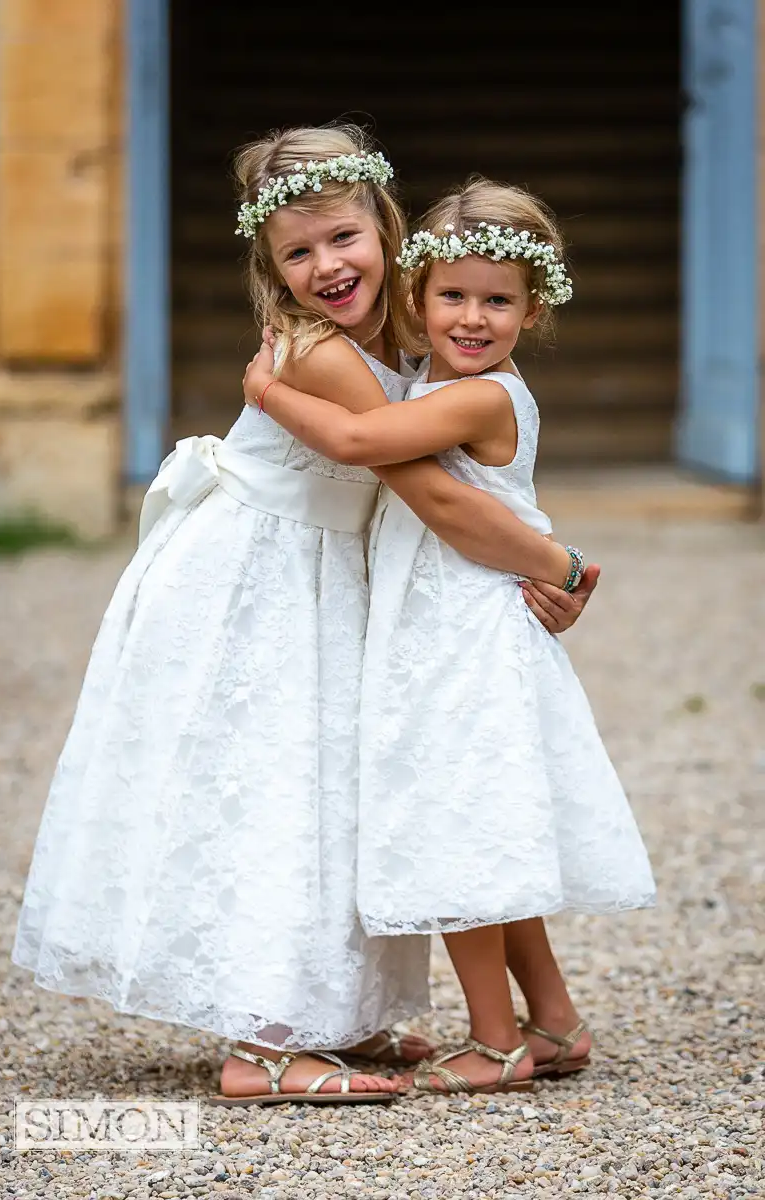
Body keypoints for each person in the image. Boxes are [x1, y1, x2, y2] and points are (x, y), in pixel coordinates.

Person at [11, 128, 594, 1106]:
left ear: (384, 230)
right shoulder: (315, 357)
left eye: (342, 240)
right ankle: (260, 1046)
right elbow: (432, 493)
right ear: (270, 267)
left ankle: (329, 1016)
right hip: (256, 571)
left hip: (318, 569)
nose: (326, 266)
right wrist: (558, 564)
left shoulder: (402, 346)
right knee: (268, 784)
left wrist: (543, 569)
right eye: (297, 253)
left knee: (326, 791)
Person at [242, 178, 656, 1096]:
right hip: (451, 620)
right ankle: (554, 1022)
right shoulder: (443, 377)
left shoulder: (480, 399)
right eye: (454, 297)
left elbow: (358, 443)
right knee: (481, 818)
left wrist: (265, 389)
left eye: (498, 301)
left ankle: (496, 1042)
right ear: (417, 299)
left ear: (532, 309)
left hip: (460, 632)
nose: (473, 318)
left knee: (457, 826)